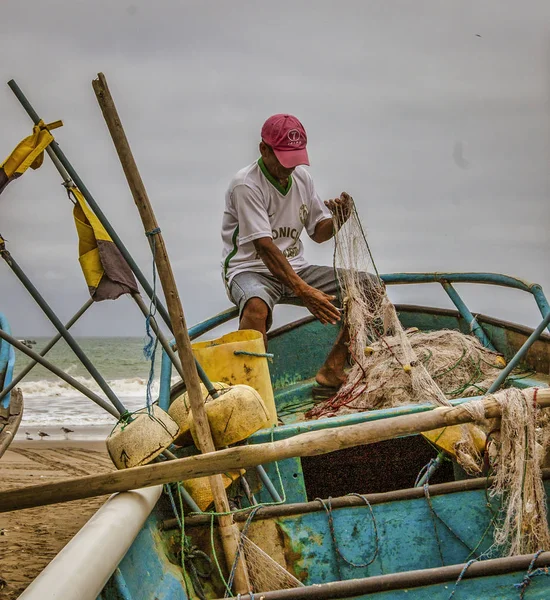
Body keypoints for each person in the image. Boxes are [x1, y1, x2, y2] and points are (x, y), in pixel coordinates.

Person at [221, 114, 352, 393]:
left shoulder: (302, 179)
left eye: (294, 160)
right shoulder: (246, 185)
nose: (289, 168)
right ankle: (255, 393)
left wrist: (339, 218)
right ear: (263, 150)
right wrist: (304, 291)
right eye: (283, 159)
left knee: (368, 289)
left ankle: (332, 369)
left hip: (296, 267)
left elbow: (318, 232)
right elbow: (265, 248)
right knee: (256, 306)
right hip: (250, 270)